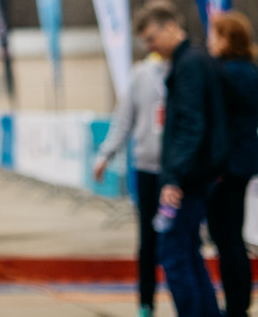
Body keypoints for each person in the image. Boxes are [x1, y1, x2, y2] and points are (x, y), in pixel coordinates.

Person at [134, 0, 228, 317]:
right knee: (187, 251)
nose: (150, 48)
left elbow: (190, 126)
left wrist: (173, 178)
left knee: (174, 253)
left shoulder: (189, 65)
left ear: (171, 28)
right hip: (197, 174)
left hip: (189, 178)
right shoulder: (195, 62)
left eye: (151, 39)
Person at [92, 48, 169, 317]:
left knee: (179, 240)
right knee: (148, 239)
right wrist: (105, 155)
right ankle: (146, 303)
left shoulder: (186, 69)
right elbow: (123, 120)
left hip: (178, 173)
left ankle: (188, 300)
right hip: (147, 171)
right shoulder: (140, 74)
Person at [206, 11, 258, 317]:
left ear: (228, 39)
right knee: (233, 240)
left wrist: (217, 166)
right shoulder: (249, 71)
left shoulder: (229, 74)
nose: (209, 42)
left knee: (227, 241)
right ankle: (240, 306)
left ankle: (236, 308)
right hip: (240, 164)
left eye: (214, 35)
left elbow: (223, 124)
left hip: (228, 168)